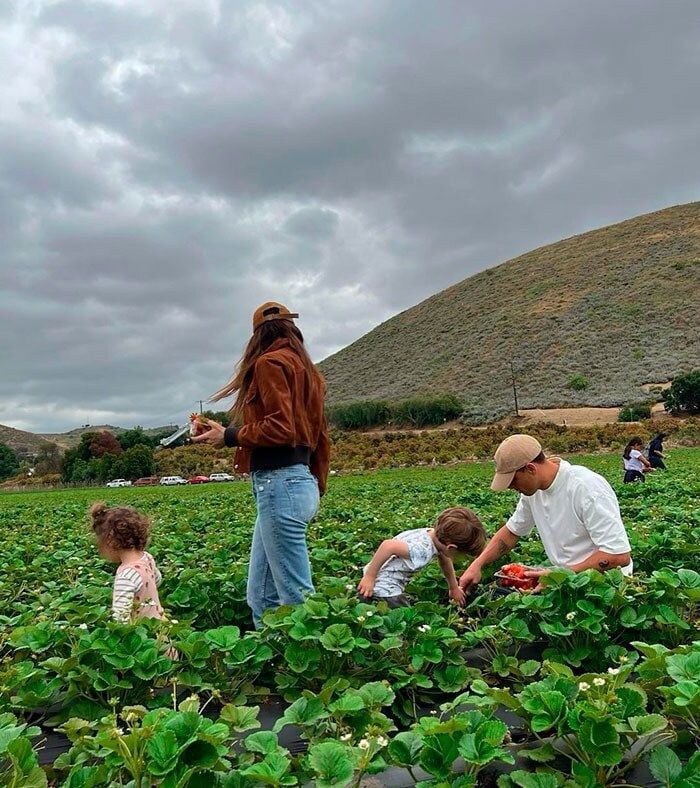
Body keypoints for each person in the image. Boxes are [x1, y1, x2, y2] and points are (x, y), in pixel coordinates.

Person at [192, 302, 330, 628]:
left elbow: (281, 428)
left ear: (257, 336)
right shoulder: (309, 373)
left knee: (296, 596)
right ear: (292, 331)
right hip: (299, 483)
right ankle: (272, 664)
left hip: (279, 485)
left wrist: (229, 436)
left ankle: (311, 667)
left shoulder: (269, 363)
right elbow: (319, 437)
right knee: (261, 595)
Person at [459, 435, 633, 594]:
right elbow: (512, 532)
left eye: (513, 481)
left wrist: (558, 575)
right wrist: (477, 564)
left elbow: (618, 555)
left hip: (605, 585)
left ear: (530, 469)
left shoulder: (586, 488)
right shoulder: (532, 492)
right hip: (564, 578)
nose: (511, 487)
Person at [357, 507, 486, 607]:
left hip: (379, 580)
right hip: (386, 588)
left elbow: (445, 559)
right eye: (462, 556)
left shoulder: (432, 535)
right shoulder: (422, 550)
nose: (461, 559)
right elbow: (388, 546)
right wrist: (370, 577)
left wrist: (453, 587)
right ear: (451, 547)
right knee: (404, 620)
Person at [89, 502, 166, 622]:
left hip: (141, 633)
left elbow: (120, 617)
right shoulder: (147, 558)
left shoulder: (126, 575)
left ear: (109, 541)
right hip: (161, 627)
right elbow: (157, 580)